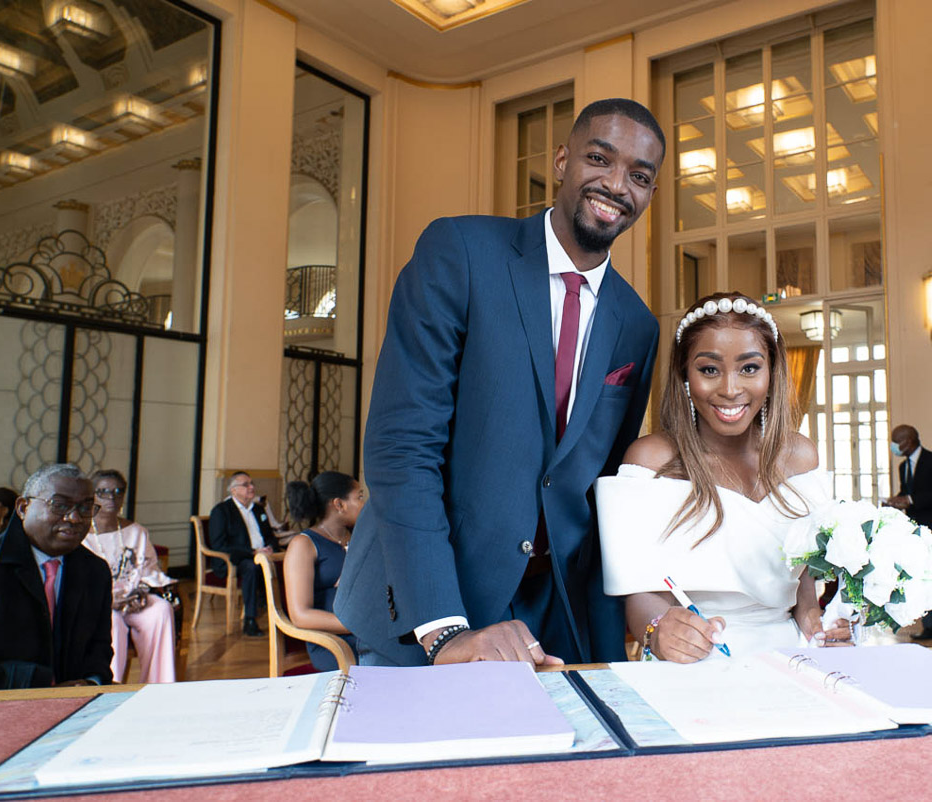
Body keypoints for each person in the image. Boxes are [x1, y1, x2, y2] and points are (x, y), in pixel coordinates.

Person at [335, 98, 664, 667]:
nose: (616, 185)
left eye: (638, 176)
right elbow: (402, 447)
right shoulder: (459, 252)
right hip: (427, 604)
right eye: (599, 158)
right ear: (562, 161)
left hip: (555, 618)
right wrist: (443, 629)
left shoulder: (637, 325)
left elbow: (601, 486)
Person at [596, 292, 852, 661]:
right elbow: (638, 595)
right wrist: (659, 630)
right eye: (709, 369)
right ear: (685, 373)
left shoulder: (801, 457)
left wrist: (817, 623)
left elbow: (803, 589)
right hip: (695, 662)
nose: (730, 389)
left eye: (749, 368)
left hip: (791, 658)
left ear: (772, 371)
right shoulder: (652, 460)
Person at [0, 464, 113, 688]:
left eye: (85, 508)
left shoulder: (95, 571)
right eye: (59, 505)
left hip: (77, 706)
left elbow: (99, 649)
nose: (74, 518)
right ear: (23, 508)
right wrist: (43, 688)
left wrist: (90, 682)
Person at [82, 469, 177, 684]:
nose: (111, 498)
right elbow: (76, 581)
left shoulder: (136, 531)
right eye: (103, 492)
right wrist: (107, 601)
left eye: (117, 491)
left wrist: (142, 592)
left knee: (161, 609)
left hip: (133, 598)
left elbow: (149, 569)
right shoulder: (80, 533)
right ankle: (108, 686)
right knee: (111, 620)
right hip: (99, 604)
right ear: (92, 495)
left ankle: (159, 685)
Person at [885, 424, 932, 642]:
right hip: (921, 530)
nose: (893, 446)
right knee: (922, 576)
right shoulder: (903, 467)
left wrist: (909, 500)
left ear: (907, 441)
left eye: (895, 441)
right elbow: (908, 493)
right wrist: (895, 500)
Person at [284, 472, 363, 670]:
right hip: (335, 642)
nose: (365, 504)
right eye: (360, 497)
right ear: (339, 504)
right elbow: (300, 615)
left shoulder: (358, 538)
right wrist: (358, 624)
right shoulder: (303, 544)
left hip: (369, 633)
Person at [208, 471, 279, 637]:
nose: (252, 487)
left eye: (252, 483)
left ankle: (285, 615)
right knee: (251, 567)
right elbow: (219, 545)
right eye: (246, 485)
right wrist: (253, 552)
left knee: (286, 562)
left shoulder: (258, 509)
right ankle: (250, 620)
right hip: (235, 560)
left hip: (263, 556)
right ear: (233, 490)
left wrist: (270, 548)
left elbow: (270, 536)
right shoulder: (221, 511)